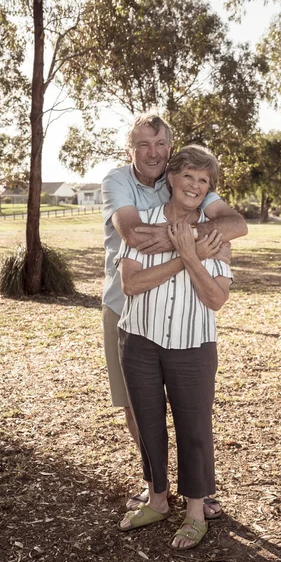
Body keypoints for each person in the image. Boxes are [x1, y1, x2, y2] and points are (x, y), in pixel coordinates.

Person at [102, 112, 247, 517]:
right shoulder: (119, 182)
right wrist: (190, 250)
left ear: (170, 150)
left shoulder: (191, 177)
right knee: (139, 409)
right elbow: (133, 237)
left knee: (192, 417)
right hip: (126, 310)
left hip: (187, 328)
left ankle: (197, 497)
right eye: (143, 145)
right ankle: (156, 491)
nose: (152, 152)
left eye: (160, 144)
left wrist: (194, 242)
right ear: (131, 149)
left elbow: (235, 224)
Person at [115, 145, 233, 550]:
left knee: (194, 428)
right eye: (189, 177)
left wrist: (191, 253)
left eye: (204, 181)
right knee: (147, 422)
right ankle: (158, 498)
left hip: (193, 343)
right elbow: (131, 284)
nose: (196, 186)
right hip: (140, 340)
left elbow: (216, 299)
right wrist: (187, 256)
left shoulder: (215, 231)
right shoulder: (142, 226)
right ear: (172, 177)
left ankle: (196, 512)